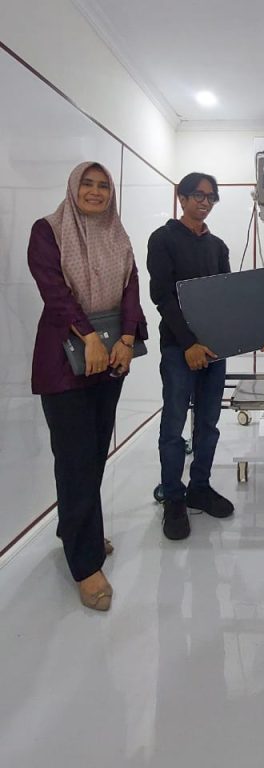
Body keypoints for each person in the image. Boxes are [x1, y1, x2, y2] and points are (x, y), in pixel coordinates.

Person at [27, 162, 147, 611]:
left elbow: (131, 287)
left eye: (103, 186)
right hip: (64, 361)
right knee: (75, 459)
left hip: (111, 359)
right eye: (87, 184)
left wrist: (127, 339)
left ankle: (77, 529)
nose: (96, 192)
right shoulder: (48, 231)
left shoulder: (118, 235)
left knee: (94, 454)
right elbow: (54, 292)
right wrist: (90, 337)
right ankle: (85, 564)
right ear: (73, 188)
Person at [147, 172, 264, 541]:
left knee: (209, 423)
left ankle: (199, 487)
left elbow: (227, 299)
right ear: (182, 197)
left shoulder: (217, 246)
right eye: (198, 195)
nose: (204, 202)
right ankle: (174, 497)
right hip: (179, 349)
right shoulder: (163, 239)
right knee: (174, 426)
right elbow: (162, 296)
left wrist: (255, 335)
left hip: (215, 350)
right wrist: (189, 343)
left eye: (210, 197)